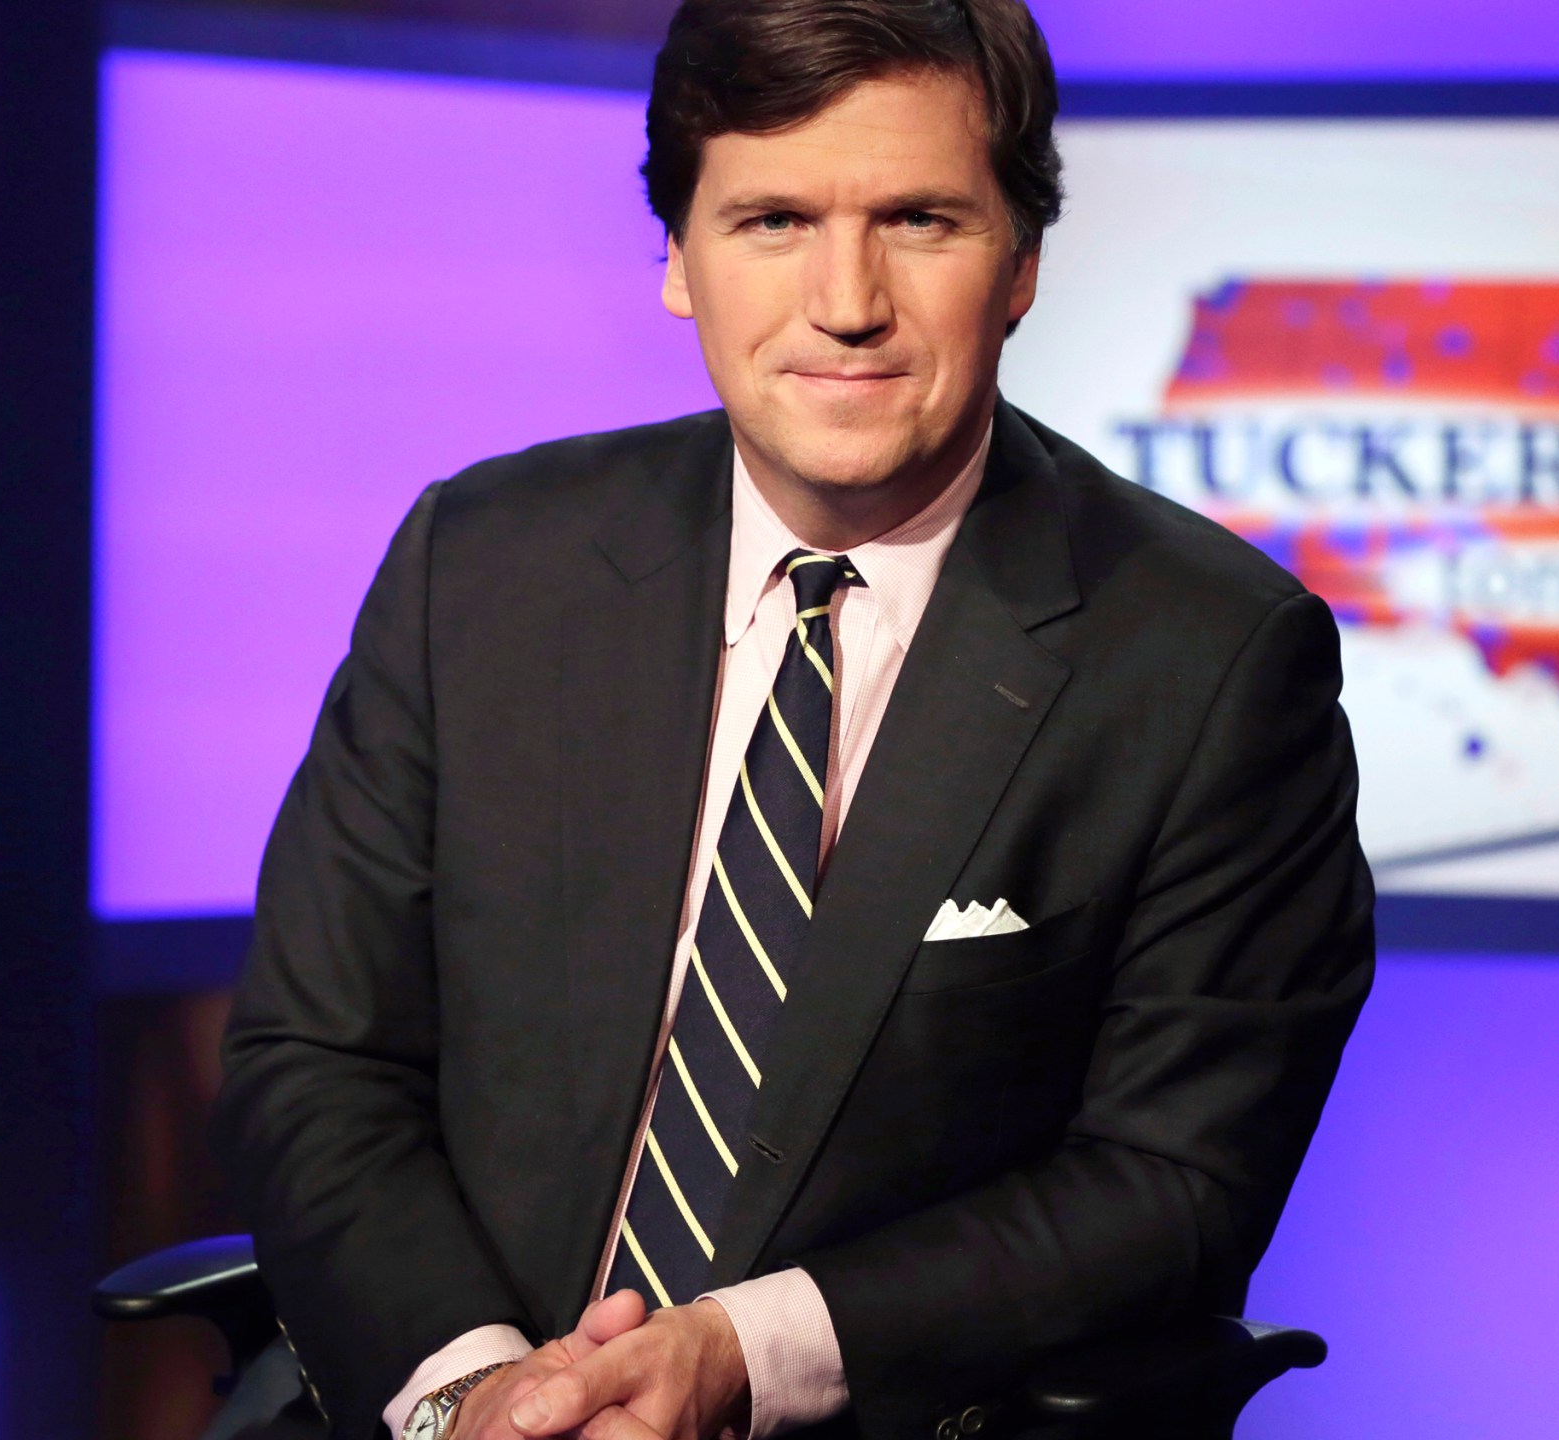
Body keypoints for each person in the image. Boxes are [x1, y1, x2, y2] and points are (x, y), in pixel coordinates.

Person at [210, 1, 1374, 1437]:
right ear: (679, 263)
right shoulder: (482, 563)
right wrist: (476, 1391)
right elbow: (317, 1058)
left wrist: (732, 1359)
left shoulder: (1209, 659)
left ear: (1020, 264)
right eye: (770, 220)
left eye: (919, 221)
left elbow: (1172, 1182)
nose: (846, 300)